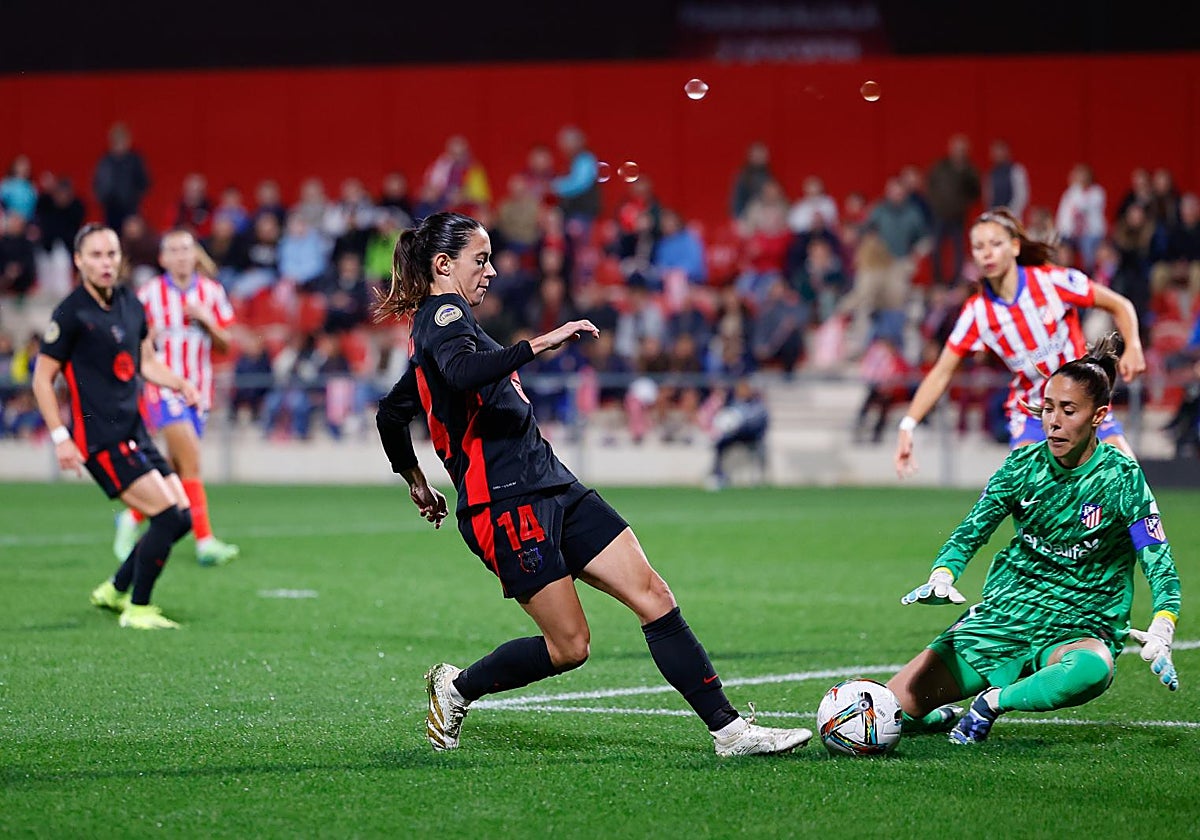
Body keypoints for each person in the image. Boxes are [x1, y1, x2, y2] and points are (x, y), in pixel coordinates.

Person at [374, 212, 811, 757]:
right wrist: (539, 344)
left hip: (553, 484)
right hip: (505, 503)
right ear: (443, 265)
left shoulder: (446, 332)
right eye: (479, 260)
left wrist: (417, 481)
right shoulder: (442, 314)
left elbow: (392, 414)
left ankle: (730, 731)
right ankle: (456, 687)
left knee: (653, 594)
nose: (490, 271)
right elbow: (462, 374)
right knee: (570, 647)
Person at [887, 335, 1181, 744]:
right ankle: (934, 716)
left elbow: (1157, 559)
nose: (1054, 422)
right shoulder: (1022, 466)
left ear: (1099, 416)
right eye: (1048, 408)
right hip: (1007, 616)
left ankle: (994, 702)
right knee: (890, 708)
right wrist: (943, 574)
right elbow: (973, 530)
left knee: (1093, 669)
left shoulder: (1122, 478)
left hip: (1080, 625)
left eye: (1068, 410)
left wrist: (1163, 625)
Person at [895, 208, 1145, 478]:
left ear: (1015, 246)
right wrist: (907, 425)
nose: (987, 253)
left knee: (1132, 490)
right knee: (1027, 499)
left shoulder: (1052, 282)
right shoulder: (977, 313)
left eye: (995, 244)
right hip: (1033, 416)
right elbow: (941, 372)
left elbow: (1120, 305)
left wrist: (1133, 346)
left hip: (1083, 407)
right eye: (979, 247)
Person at [31, 224, 196, 629]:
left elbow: (145, 363)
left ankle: (115, 589)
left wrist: (179, 383)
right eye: (96, 255)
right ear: (79, 261)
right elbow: (41, 379)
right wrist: (60, 437)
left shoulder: (130, 303)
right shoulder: (71, 313)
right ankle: (138, 608)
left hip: (134, 431)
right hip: (100, 439)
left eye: (111, 254)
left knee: (183, 518)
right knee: (167, 517)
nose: (106, 263)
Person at [113, 229, 240, 567]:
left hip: (199, 391)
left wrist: (206, 322)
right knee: (192, 461)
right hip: (163, 388)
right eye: (174, 250)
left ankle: (132, 517)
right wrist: (147, 339)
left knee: (176, 465)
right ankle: (205, 541)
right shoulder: (149, 294)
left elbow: (226, 346)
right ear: (163, 258)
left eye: (187, 249)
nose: (182, 256)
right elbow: (131, 343)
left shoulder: (212, 293)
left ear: (194, 254)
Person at [92, 123, 151, 231]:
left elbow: (145, 182)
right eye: (116, 141)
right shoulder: (105, 161)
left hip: (131, 209)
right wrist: (104, 198)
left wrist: (133, 197)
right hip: (110, 210)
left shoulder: (135, 160)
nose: (119, 144)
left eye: (122, 140)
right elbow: (97, 184)